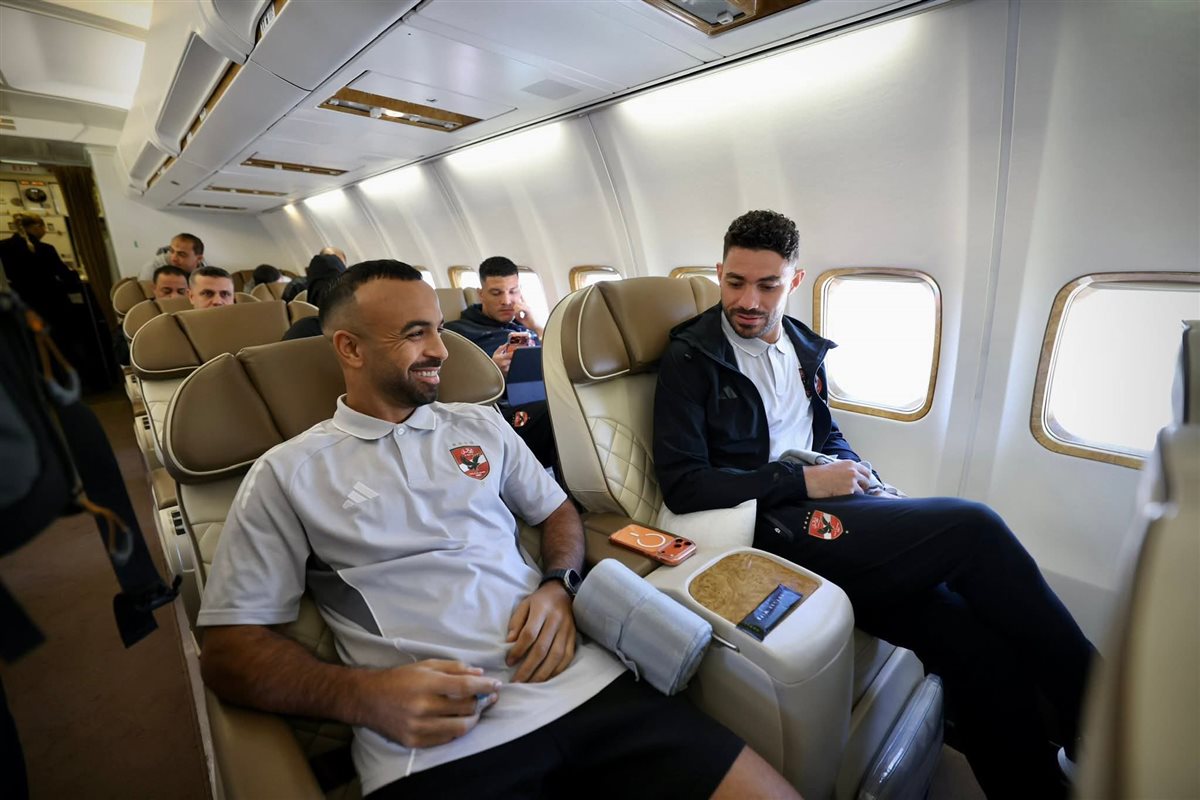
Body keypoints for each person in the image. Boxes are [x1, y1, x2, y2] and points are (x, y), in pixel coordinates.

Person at [197, 260, 796, 799]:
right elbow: (228, 651)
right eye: (414, 334)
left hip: (585, 686)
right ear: (350, 348)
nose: (441, 349)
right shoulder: (287, 472)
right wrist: (361, 697)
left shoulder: (479, 425)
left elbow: (557, 513)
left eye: (437, 328)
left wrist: (559, 585)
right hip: (440, 742)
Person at [653, 209, 1096, 800]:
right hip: (765, 523)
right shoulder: (691, 359)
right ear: (719, 272)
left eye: (768, 285)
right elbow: (684, 484)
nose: (749, 301)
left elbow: (824, 432)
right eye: (735, 282)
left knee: (974, 648)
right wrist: (801, 481)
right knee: (976, 527)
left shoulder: (800, 347)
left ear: (796, 280)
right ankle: (1099, 714)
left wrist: (865, 477)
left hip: (823, 506)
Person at [445, 256, 555, 467]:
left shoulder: (524, 329)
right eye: (496, 293)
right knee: (553, 412)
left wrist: (536, 328)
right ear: (481, 294)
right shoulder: (456, 333)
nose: (507, 301)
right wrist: (492, 372)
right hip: (498, 412)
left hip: (536, 395)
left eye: (513, 291)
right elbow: (452, 389)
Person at [138, 233, 205, 281]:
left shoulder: (205, 274)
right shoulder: (151, 269)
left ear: (199, 259)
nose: (173, 258)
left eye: (181, 254)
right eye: (172, 251)